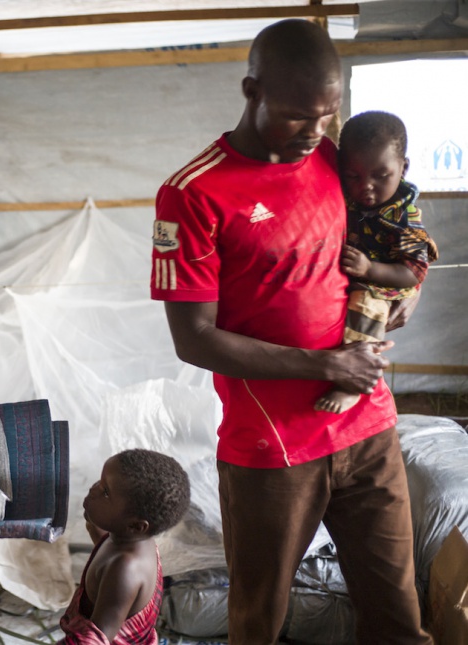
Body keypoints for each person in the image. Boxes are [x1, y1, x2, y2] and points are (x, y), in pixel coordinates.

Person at [150, 19, 432, 645]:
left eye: (328, 116)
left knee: (399, 616)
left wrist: (409, 286)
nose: (316, 133)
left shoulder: (338, 161)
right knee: (258, 619)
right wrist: (329, 366)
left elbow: (397, 235)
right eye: (299, 116)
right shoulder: (193, 194)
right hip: (272, 450)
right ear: (252, 91)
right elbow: (193, 338)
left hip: (367, 425)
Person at [315, 111, 438, 414]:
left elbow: (413, 272)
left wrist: (371, 270)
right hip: (359, 273)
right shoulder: (349, 198)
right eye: (353, 176)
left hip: (386, 283)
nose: (366, 187)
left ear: (403, 168)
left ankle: (354, 383)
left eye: (380, 176)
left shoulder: (404, 221)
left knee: (365, 308)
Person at [58, 449, 190, 645]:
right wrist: (94, 519)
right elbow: (105, 547)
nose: (93, 490)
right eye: (99, 482)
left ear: (136, 525)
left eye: (105, 492)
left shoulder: (125, 569)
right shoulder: (129, 540)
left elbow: (96, 639)